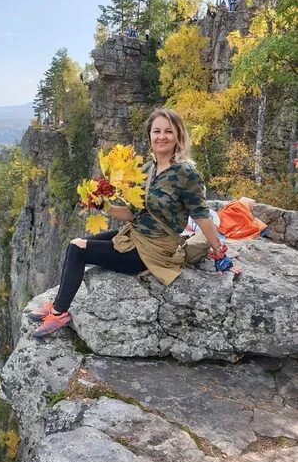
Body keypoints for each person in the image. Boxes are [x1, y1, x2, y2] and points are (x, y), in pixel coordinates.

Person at [27, 107, 240, 337]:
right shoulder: (147, 170)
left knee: (78, 250)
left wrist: (220, 253)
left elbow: (201, 215)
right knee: (76, 243)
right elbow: (132, 213)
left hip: (155, 250)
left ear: (178, 135)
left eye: (168, 131)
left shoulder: (186, 174)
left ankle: (59, 312)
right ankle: (58, 303)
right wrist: (103, 206)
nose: (162, 136)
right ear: (149, 135)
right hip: (135, 235)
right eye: (156, 131)